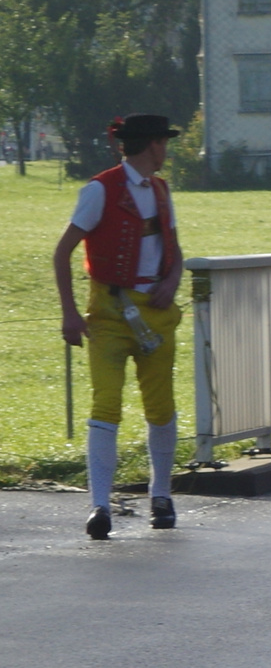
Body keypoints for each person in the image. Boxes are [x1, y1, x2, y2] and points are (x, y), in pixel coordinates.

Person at [53, 114, 184, 540]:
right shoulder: (99, 190)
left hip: (157, 313)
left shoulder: (162, 191)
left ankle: (161, 496)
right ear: (151, 145)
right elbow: (62, 253)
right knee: (105, 406)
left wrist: (170, 281)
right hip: (109, 313)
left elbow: (175, 250)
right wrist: (71, 314)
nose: (166, 149)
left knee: (160, 407)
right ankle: (99, 506)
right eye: (164, 142)